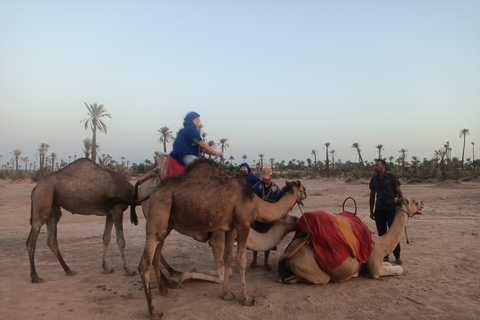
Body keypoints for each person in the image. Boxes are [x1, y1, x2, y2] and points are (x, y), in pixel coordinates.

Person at [369, 159, 404, 265]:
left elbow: (399, 193)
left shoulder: (392, 177)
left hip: (391, 209)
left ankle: (397, 255)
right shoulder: (374, 180)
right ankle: (385, 255)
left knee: (393, 233)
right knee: (382, 233)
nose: (375, 167)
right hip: (379, 210)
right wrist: (371, 211)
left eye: (377, 165)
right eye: (374, 165)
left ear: (383, 166)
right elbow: (372, 196)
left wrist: (401, 207)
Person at [250, 166, 280, 271]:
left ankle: (266, 262)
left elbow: (278, 205)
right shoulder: (257, 187)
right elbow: (252, 203)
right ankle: (254, 260)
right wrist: (252, 219)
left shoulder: (276, 189)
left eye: (266, 178)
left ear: (271, 176)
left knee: (267, 241)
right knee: (256, 240)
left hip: (269, 219)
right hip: (258, 218)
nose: (264, 179)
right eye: (263, 178)